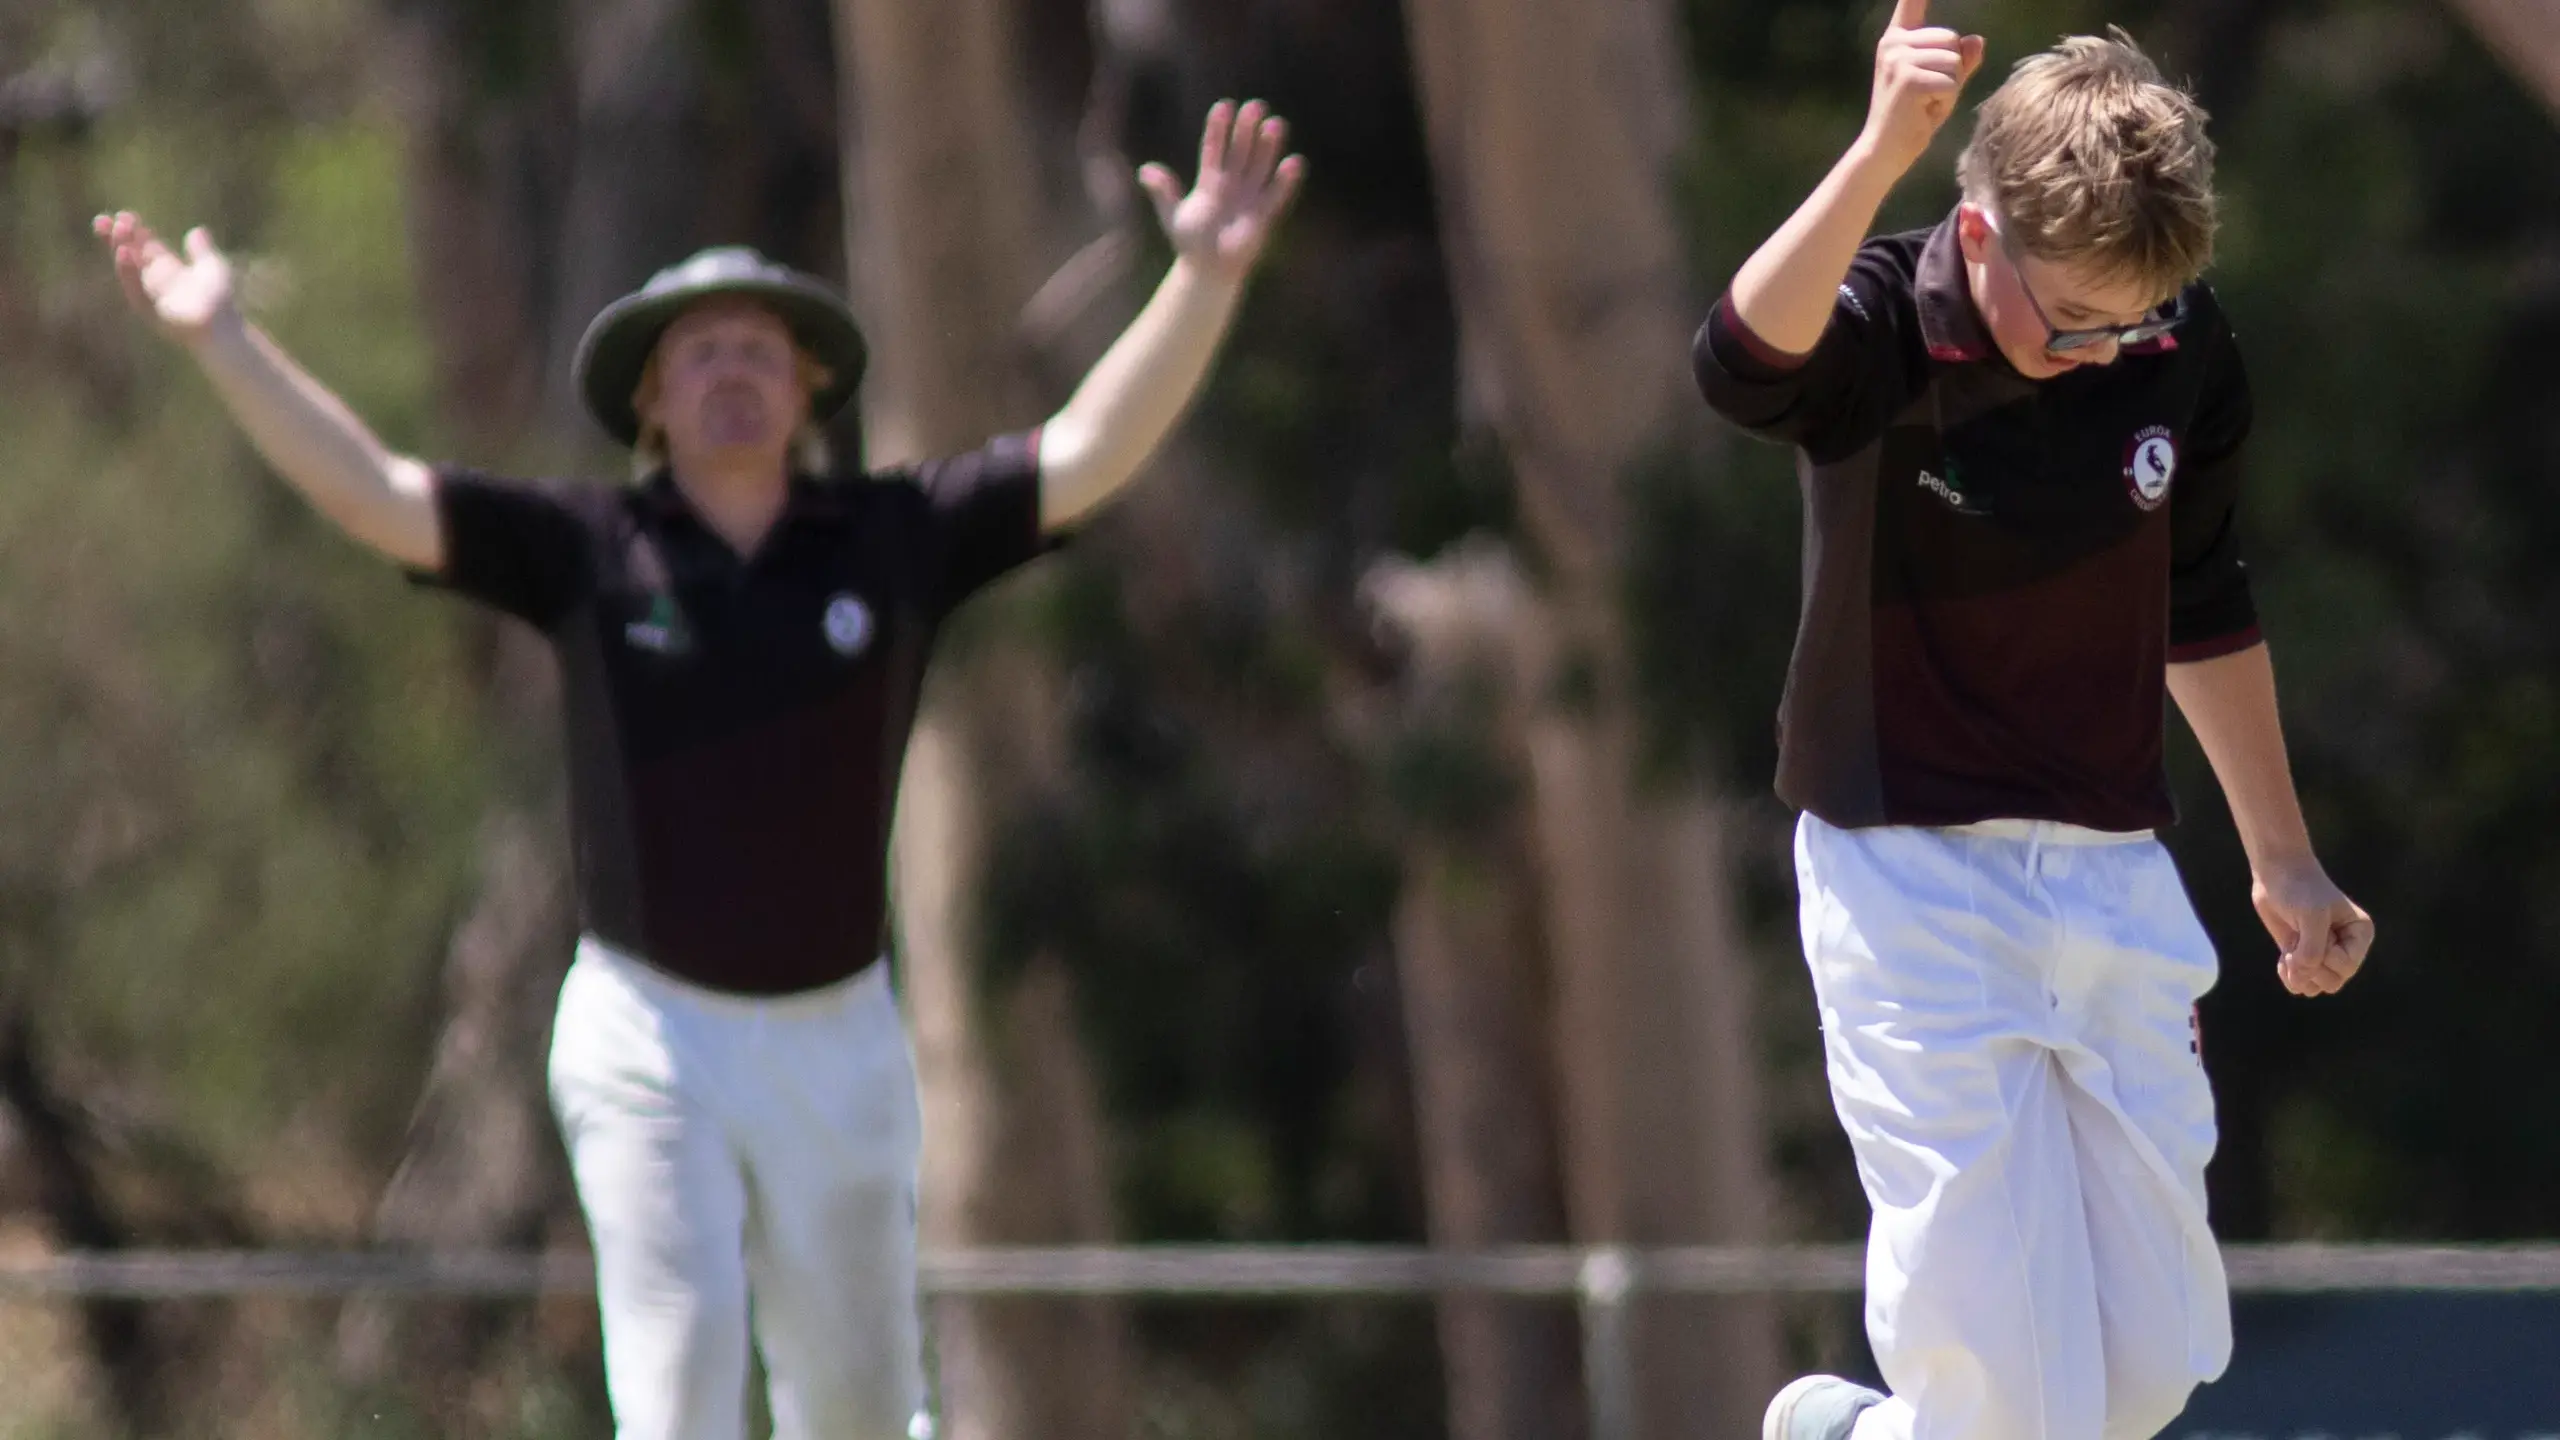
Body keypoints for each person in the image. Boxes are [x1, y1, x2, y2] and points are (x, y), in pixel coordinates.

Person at [98, 100, 1302, 1440]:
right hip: (646, 1033)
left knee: (852, 1405)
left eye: (759, 350)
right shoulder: (588, 549)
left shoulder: (891, 537)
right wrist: (221, 337)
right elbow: (374, 490)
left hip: (838, 1040)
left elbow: (1085, 457)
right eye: (699, 354)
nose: (731, 370)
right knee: (674, 1395)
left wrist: (1202, 277)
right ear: (653, 404)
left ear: (807, 391)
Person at [1691, 7, 2374, 1440]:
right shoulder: (1881, 324)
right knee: (2011, 1401)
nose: (2108, 349)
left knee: (2144, 1376)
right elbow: (1739, 362)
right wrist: (1881, 151)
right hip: (1910, 883)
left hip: (2111, 874)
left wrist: (2284, 857)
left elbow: (2200, 597)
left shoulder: (2175, 348)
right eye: (2077, 320)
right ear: (1984, 234)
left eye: (2136, 318)